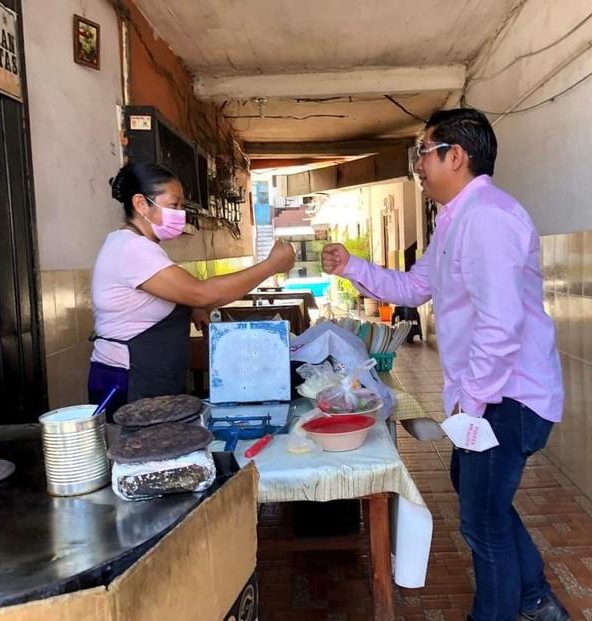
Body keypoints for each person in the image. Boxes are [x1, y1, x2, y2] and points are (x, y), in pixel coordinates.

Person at [321, 108, 567, 621]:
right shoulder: (457, 218)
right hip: (490, 395)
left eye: (424, 154)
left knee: (482, 523)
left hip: (508, 396)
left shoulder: (489, 219)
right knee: (482, 501)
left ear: (456, 156)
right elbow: (415, 287)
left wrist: (470, 404)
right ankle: (536, 598)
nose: (418, 166)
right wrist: (352, 268)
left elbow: (501, 325)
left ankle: (508, 609)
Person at [88, 161, 295, 415]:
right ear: (141, 204)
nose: (180, 213)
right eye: (173, 205)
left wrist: (190, 306)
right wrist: (271, 266)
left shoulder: (136, 245)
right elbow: (202, 292)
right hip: (130, 382)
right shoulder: (132, 248)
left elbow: (175, 294)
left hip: (149, 377)